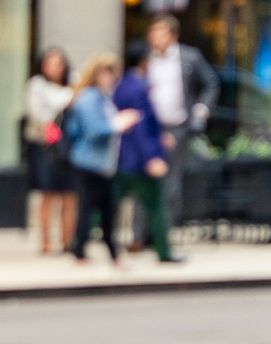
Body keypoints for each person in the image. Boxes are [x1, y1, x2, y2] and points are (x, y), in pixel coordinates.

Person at [141, 15, 217, 253]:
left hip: (177, 127)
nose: (155, 38)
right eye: (153, 33)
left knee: (170, 184)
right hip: (148, 128)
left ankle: (163, 235)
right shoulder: (145, 60)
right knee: (143, 181)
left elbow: (211, 83)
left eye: (160, 32)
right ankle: (141, 236)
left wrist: (200, 112)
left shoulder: (189, 58)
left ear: (173, 35)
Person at [62, 53, 138, 265]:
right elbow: (95, 129)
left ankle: (109, 251)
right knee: (88, 208)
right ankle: (81, 250)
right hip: (88, 162)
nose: (110, 78)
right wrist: (119, 123)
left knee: (107, 209)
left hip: (104, 163)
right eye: (106, 73)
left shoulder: (103, 97)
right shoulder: (88, 98)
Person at [115, 42, 179, 264]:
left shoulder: (122, 85)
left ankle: (83, 246)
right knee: (157, 206)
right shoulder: (139, 88)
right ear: (144, 61)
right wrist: (152, 157)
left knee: (109, 204)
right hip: (138, 160)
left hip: (121, 158)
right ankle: (164, 251)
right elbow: (140, 128)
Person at [24, 47, 76, 255]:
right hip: (45, 145)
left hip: (68, 145)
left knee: (69, 195)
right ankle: (45, 241)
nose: (56, 67)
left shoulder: (71, 84)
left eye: (59, 63)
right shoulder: (37, 85)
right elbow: (37, 114)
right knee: (48, 194)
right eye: (51, 62)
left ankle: (67, 240)